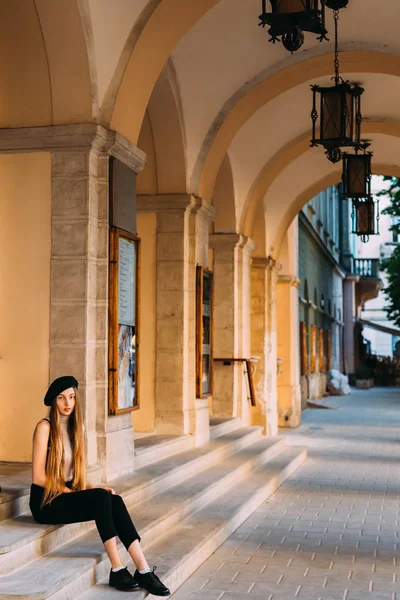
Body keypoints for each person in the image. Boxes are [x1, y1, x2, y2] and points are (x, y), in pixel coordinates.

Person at [30, 376, 170, 595]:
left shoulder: (78, 428)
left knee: (113, 498)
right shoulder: (44, 428)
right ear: (53, 401)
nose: (67, 403)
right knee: (100, 499)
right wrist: (71, 491)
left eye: (71, 397)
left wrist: (92, 488)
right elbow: (38, 477)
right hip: (46, 500)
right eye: (61, 398)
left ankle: (143, 569)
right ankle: (117, 567)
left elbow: (76, 476)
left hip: (66, 493)